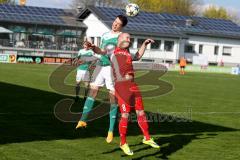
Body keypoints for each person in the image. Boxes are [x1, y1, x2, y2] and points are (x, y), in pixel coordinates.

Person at [75, 15, 128, 143]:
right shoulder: (104, 34)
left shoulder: (122, 37)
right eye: (114, 21)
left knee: (112, 99)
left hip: (112, 69)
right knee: (93, 91)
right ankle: (82, 120)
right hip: (100, 66)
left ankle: (110, 131)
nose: (115, 24)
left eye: (118, 24)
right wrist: (93, 47)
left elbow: (122, 51)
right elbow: (101, 51)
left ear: (122, 26)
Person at [111, 33, 160, 156]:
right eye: (127, 37)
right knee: (125, 114)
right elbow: (101, 50)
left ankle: (147, 138)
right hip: (121, 86)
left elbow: (137, 56)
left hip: (133, 85)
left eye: (129, 38)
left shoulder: (127, 52)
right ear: (119, 39)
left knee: (141, 112)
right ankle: (123, 143)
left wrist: (144, 44)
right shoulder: (115, 50)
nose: (129, 39)